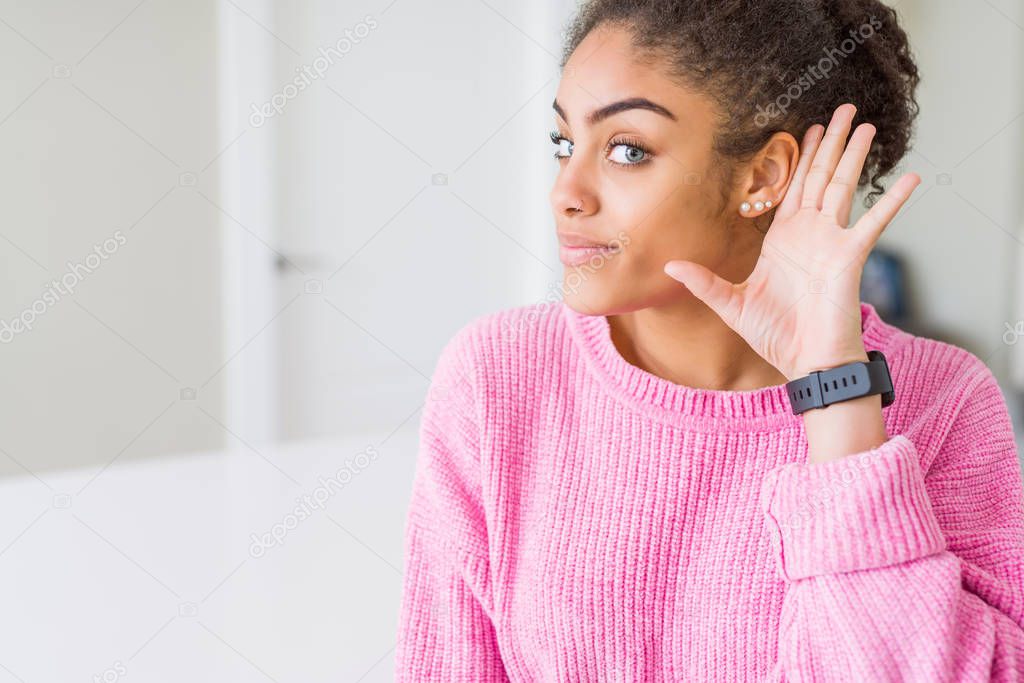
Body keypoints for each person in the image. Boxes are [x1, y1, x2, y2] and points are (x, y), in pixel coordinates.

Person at [395, 0, 1024, 679]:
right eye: (563, 143)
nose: (565, 193)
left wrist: (838, 397)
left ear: (761, 176)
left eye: (627, 150)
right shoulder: (498, 377)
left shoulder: (947, 400)